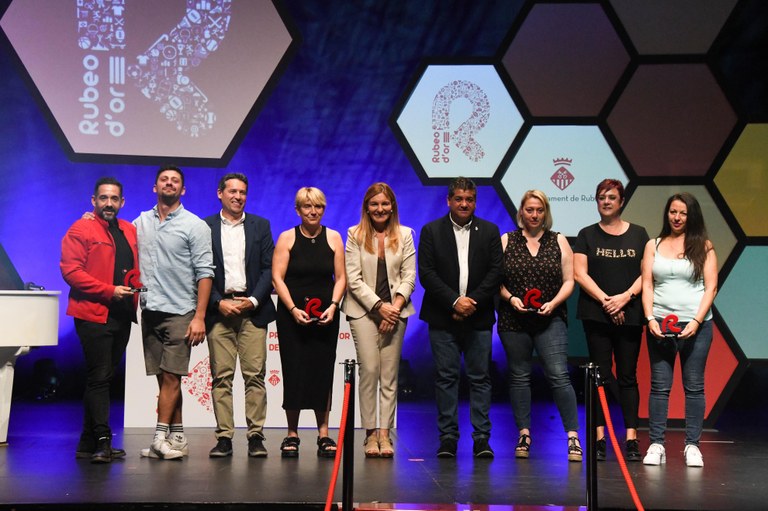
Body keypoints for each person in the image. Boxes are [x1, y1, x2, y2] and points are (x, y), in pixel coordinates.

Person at [418, 176, 502, 459]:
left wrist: (471, 302)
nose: (464, 204)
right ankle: (448, 438)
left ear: (475, 202)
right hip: (443, 317)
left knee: (480, 378)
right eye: (459, 199)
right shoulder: (431, 230)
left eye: (469, 199)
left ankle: (481, 439)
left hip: (478, 318)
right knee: (446, 378)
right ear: (449, 201)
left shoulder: (490, 231)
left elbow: (495, 272)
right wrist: (454, 301)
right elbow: (427, 274)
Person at [135, 165, 214, 460]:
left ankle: (158, 438)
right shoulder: (140, 222)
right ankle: (176, 436)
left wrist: (199, 316)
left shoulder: (195, 226)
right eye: (164, 180)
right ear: (155, 187)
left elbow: (205, 274)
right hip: (150, 310)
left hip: (181, 311)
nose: (169, 184)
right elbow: (118, 236)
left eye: (175, 181)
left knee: (171, 378)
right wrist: (91, 219)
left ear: (183, 190)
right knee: (164, 378)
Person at [498, 190, 582, 462]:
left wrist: (554, 303)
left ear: (546, 213)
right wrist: (510, 299)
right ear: (521, 212)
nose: (534, 215)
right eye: (530, 209)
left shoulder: (558, 241)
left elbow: (569, 280)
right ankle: (524, 434)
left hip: (550, 318)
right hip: (514, 319)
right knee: (520, 376)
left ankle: (572, 437)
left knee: (559, 375)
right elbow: (495, 280)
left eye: (540, 210)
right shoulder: (506, 240)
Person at [61, 177, 139, 463]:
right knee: (99, 378)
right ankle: (103, 440)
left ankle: (87, 442)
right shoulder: (81, 228)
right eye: (103, 198)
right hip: (93, 314)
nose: (109, 203)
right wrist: (108, 291)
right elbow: (71, 272)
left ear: (122, 202)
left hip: (121, 315)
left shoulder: (130, 230)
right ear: (93, 201)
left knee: (103, 377)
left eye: (114, 198)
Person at [573, 179, 649, 462]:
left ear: (622, 201)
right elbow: (580, 274)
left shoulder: (639, 234)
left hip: (629, 314)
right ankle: (600, 437)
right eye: (601, 197)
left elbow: (647, 273)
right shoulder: (586, 234)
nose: (606, 201)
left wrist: (624, 298)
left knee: (628, 376)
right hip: (596, 314)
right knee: (599, 377)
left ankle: (631, 438)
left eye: (612, 197)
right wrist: (608, 301)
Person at [641, 192, 717, 468]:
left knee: (694, 387)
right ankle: (657, 444)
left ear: (691, 216)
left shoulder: (704, 246)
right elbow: (647, 284)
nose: (677, 217)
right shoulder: (654, 245)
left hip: (697, 326)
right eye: (673, 211)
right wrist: (650, 318)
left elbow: (711, 287)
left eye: (683, 213)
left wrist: (696, 321)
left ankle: (692, 446)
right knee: (659, 387)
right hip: (659, 325)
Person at [204, 173, 275, 458]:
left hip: (252, 311)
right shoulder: (205, 227)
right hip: (219, 311)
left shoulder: (261, 225)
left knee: (255, 376)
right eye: (232, 191)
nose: (238, 196)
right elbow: (199, 270)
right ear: (220, 193)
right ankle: (224, 437)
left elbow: (269, 268)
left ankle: (256, 436)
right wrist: (218, 302)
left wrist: (254, 299)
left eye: (242, 192)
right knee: (221, 377)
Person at [342, 183, 416, 458]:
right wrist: (379, 308)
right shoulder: (354, 234)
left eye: (385, 204)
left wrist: (393, 308)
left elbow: (409, 276)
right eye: (374, 204)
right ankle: (369, 433)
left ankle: (385, 434)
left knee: (389, 375)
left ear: (392, 206)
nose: (380, 209)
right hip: (364, 311)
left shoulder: (406, 234)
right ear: (366, 207)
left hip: (396, 311)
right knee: (370, 370)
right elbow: (354, 278)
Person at [272, 187, 346, 458]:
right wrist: (292, 308)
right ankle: (292, 433)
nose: (313, 212)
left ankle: (323, 433)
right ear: (298, 210)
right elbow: (277, 278)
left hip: (325, 316)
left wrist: (334, 306)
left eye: (318, 207)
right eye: (307, 207)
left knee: (323, 372)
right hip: (293, 317)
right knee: (294, 371)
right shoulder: (287, 238)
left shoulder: (334, 238)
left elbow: (341, 278)